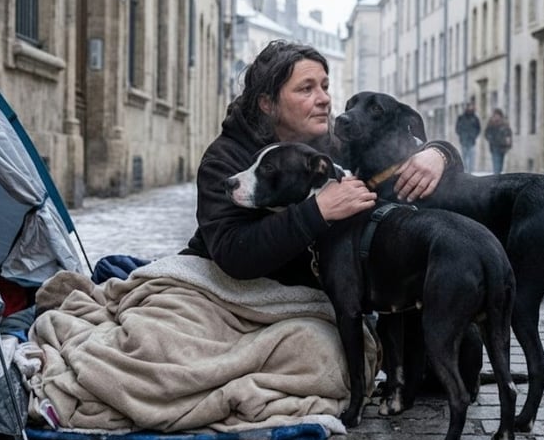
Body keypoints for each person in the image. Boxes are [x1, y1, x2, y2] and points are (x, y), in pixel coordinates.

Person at [180, 40, 461, 288]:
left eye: (325, 87)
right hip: (231, 288)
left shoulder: (335, 147)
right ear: (267, 103)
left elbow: (400, 158)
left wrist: (439, 153)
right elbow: (234, 254)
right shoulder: (226, 158)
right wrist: (318, 211)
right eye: (306, 89)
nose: (325, 99)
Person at [484, 109, 512, 175]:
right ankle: (496, 178)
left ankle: (497, 177)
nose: (496, 117)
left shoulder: (504, 123)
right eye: (495, 115)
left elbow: (509, 134)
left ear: (500, 115)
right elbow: (486, 133)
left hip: (502, 147)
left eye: (498, 115)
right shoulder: (491, 123)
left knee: (500, 166)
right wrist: (491, 139)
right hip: (494, 147)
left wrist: (509, 144)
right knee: (496, 165)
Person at [455, 101, 481, 173]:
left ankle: (471, 172)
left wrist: (474, 135)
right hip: (463, 140)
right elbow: (457, 128)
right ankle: (465, 171)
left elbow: (478, 129)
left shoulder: (475, 118)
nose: (470, 108)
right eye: (468, 106)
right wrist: (461, 135)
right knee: (464, 158)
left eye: (471, 107)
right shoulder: (461, 118)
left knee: (472, 158)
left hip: (472, 141)